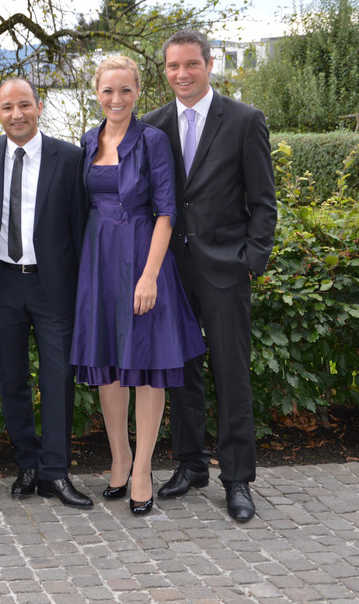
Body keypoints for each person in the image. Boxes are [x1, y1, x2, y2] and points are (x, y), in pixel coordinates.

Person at [141, 30, 277, 523]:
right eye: (173, 66)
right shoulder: (151, 125)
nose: (182, 74)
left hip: (225, 268)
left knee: (230, 372)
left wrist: (251, 259)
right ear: (165, 69)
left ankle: (237, 478)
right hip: (171, 270)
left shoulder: (244, 120)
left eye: (191, 64)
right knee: (180, 370)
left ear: (209, 63)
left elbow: (263, 202)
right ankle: (191, 464)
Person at [70, 56, 207, 516]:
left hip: (144, 260)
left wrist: (149, 276)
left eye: (125, 90)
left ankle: (144, 468)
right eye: (108, 90)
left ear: (138, 92)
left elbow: (166, 213)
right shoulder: (88, 140)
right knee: (108, 365)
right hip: (99, 263)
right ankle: (120, 458)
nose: (117, 99)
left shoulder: (152, 140)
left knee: (147, 367)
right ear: (96, 92)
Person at [0, 78, 90, 508]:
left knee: (58, 378)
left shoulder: (70, 157)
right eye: (7, 107)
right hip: (2, 282)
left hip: (52, 284)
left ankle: (55, 473)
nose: (16, 114)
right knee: (12, 378)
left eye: (24, 105)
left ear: (39, 108)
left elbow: (81, 226)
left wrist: (82, 288)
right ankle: (28, 464)